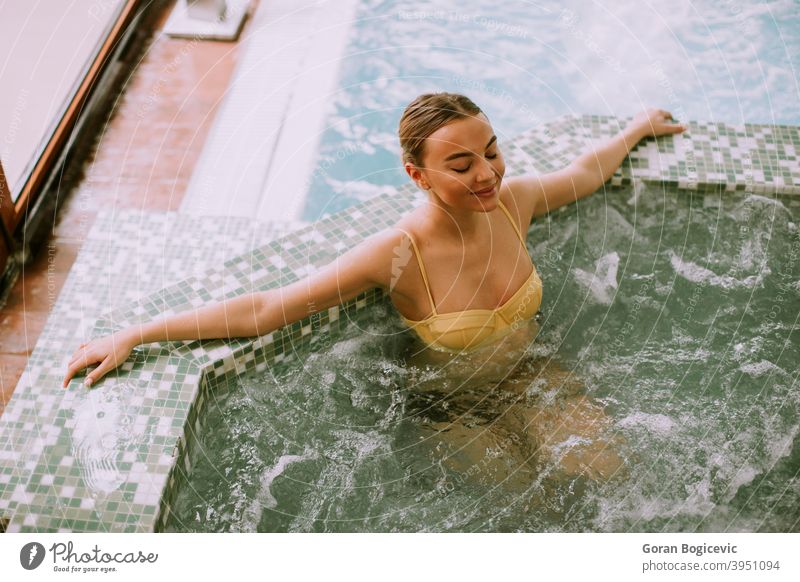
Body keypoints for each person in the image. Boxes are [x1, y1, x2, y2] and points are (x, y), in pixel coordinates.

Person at [62, 93, 684, 481]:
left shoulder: (512, 204)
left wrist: (633, 130)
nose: (487, 173)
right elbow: (266, 309)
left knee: (607, 482)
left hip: (532, 372)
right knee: (530, 511)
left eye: (492, 152)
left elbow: (581, 175)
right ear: (419, 175)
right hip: (452, 405)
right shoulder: (397, 254)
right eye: (461, 165)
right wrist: (133, 334)